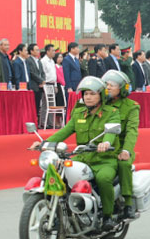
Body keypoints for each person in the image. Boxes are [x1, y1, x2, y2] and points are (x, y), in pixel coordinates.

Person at [37, 76, 122, 226]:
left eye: (92, 93)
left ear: (101, 95)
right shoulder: (78, 114)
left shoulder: (111, 112)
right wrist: (45, 143)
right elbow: (65, 131)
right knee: (60, 171)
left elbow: (111, 131)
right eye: (85, 94)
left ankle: (108, 215)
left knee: (103, 179)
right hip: (82, 157)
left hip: (104, 159)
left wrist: (106, 142)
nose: (88, 97)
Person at [102, 69, 140, 219]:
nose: (108, 87)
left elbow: (132, 131)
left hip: (120, 148)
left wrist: (127, 150)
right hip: (98, 147)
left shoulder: (131, 106)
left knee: (124, 164)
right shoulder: (98, 102)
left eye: (112, 85)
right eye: (106, 84)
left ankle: (128, 202)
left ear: (123, 89)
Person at [26, 43, 45, 118]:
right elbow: (32, 73)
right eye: (36, 50)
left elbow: (42, 72)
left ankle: (36, 120)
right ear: (31, 51)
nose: (38, 51)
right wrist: (40, 81)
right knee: (33, 105)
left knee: (37, 104)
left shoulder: (39, 61)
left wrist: (43, 81)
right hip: (34, 86)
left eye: (38, 50)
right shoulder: (29, 60)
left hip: (40, 86)